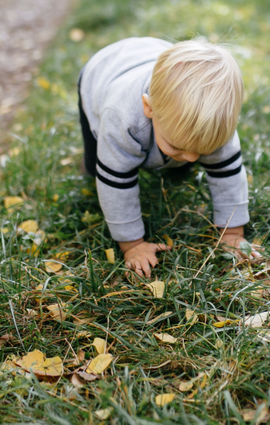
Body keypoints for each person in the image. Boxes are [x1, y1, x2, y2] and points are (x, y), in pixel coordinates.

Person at [77, 37, 258, 277]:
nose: (193, 158)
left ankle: (169, 155)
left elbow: (228, 174)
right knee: (102, 166)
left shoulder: (215, 121)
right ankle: (93, 164)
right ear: (149, 107)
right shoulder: (120, 119)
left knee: (179, 158)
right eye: (177, 146)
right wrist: (133, 246)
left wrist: (233, 234)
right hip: (101, 74)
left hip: (152, 54)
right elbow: (116, 184)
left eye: (201, 151)